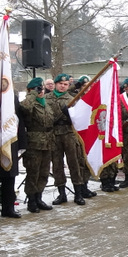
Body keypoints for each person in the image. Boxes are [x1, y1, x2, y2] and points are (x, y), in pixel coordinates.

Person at [0, 77, 26, 220]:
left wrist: (22, 144)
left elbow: (19, 120)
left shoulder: (12, 98)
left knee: (9, 177)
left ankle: (8, 208)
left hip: (10, 141)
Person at [47, 73, 87, 205]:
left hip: (69, 133)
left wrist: (69, 116)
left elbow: (79, 119)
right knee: (57, 164)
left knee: (74, 163)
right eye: (60, 84)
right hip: (54, 133)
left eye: (65, 84)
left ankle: (78, 193)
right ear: (55, 84)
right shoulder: (46, 98)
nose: (63, 86)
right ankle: (61, 194)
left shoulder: (73, 99)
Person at [19, 77, 55, 213]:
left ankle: (39, 197)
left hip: (48, 142)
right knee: (33, 172)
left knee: (44, 172)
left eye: (42, 88)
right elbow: (24, 108)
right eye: (38, 89)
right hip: (34, 143)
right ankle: (32, 200)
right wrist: (32, 93)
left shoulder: (46, 104)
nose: (41, 91)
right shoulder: (29, 103)